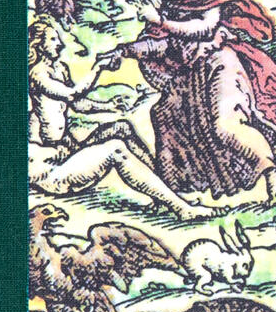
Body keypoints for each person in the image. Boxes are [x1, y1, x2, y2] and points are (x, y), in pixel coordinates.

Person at [122, 0, 276, 203]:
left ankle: (272, 172)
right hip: (192, 76)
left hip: (220, 65)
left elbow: (205, 28)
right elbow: (165, 45)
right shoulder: (162, 1)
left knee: (225, 125)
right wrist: (124, 51)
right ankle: (175, 194)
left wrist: (161, 21)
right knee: (164, 115)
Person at [27, 20, 208, 218]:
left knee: (122, 127)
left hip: (66, 154)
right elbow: (71, 94)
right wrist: (98, 68)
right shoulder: (37, 74)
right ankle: (183, 209)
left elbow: (78, 104)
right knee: (116, 149)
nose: (60, 44)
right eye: (53, 39)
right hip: (50, 170)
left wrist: (108, 106)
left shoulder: (59, 69)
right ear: (39, 45)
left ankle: (163, 196)